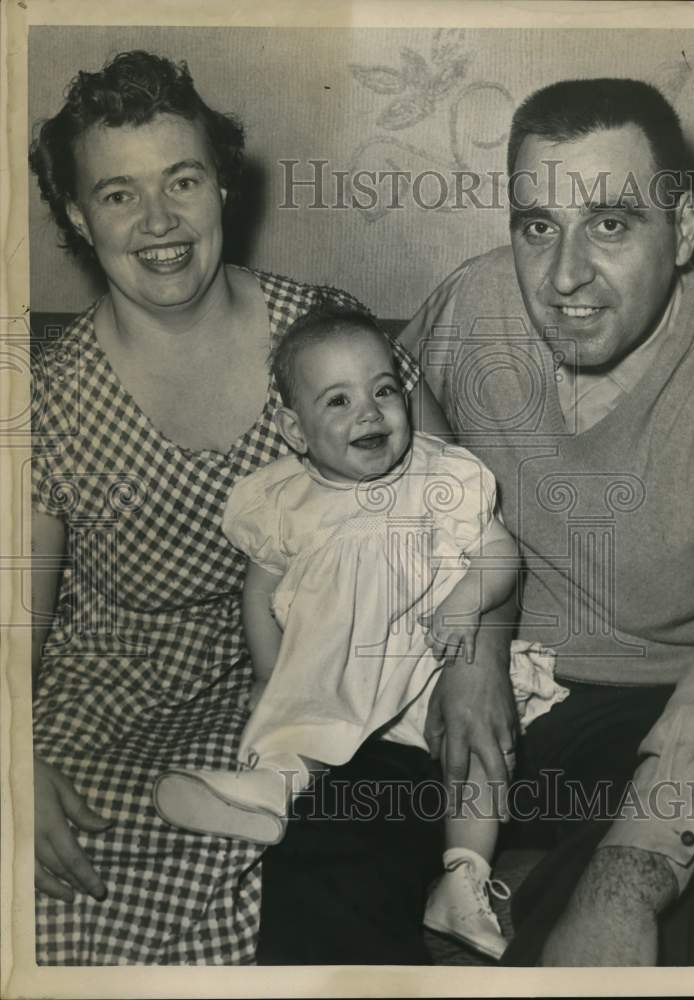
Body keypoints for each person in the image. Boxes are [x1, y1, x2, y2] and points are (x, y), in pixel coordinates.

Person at [28, 50, 462, 965]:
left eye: (182, 179)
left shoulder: (327, 337)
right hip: (105, 704)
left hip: (305, 688)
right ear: (75, 214)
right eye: (117, 194)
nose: (160, 222)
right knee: (51, 908)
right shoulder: (47, 397)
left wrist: (480, 660)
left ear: (221, 181)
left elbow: (458, 510)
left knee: (302, 909)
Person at [400, 77, 694, 966]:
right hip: (481, 684)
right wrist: (469, 649)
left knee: (665, 897)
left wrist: (625, 884)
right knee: (305, 852)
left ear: (684, 233)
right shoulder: (473, 306)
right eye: (537, 226)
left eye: (611, 224)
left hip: (653, 711)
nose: (564, 276)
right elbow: (382, 454)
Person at [152, 305, 538, 959]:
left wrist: (466, 602)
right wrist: (268, 674)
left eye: (383, 390)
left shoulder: (440, 478)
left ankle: (463, 877)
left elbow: (501, 554)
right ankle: (275, 781)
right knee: (305, 693)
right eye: (337, 400)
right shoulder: (281, 501)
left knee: (476, 751)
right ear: (293, 429)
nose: (369, 412)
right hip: (334, 671)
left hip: (432, 675)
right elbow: (261, 590)